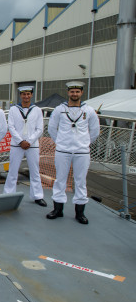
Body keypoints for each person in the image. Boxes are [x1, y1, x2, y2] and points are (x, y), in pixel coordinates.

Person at [47, 81, 99, 224]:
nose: (74, 94)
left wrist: (85, 143)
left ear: (81, 93)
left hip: (82, 151)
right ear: (68, 93)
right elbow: (52, 128)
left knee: (80, 181)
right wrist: (61, 142)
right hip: (63, 150)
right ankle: (58, 209)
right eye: (72, 92)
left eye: (77, 92)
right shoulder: (59, 109)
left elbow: (95, 131)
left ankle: (80, 213)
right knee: (60, 180)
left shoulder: (89, 110)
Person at [4, 86, 46, 206]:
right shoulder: (13, 109)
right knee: (12, 170)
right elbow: (11, 127)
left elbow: (40, 129)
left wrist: (30, 141)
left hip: (32, 145)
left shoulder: (37, 110)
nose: (26, 96)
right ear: (20, 95)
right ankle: (9, 194)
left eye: (28, 94)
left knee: (35, 171)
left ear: (31, 95)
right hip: (17, 145)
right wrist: (20, 141)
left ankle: (37, 196)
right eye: (24, 94)